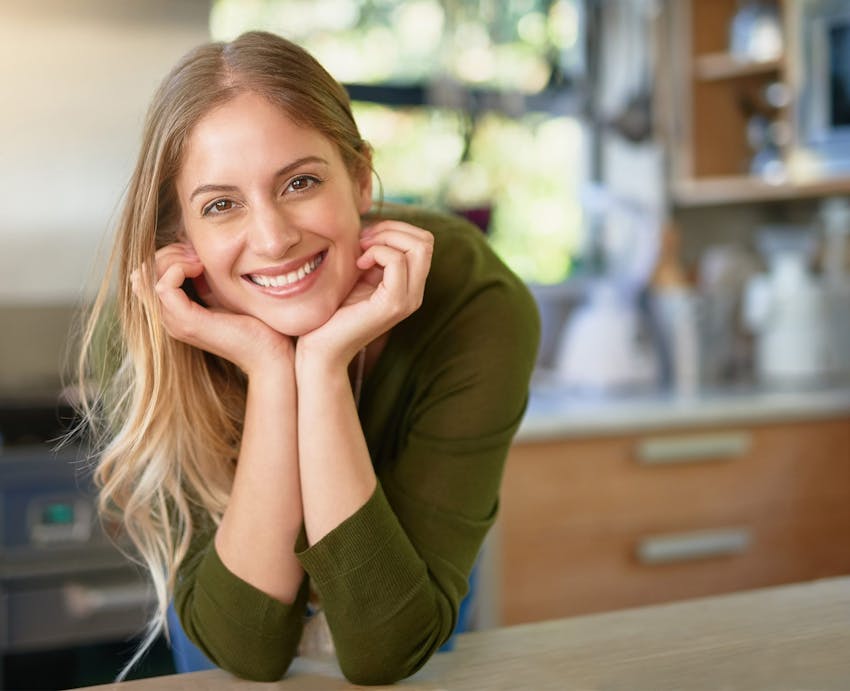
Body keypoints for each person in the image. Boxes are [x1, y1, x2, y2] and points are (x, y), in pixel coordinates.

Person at [75, 30, 539, 685]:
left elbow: (388, 647)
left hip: (398, 586)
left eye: (299, 182)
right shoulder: (151, 326)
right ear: (182, 234)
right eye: (221, 204)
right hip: (234, 598)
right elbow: (243, 649)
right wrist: (270, 368)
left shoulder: (473, 302)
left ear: (359, 178)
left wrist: (319, 368)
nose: (272, 237)